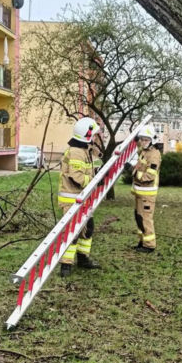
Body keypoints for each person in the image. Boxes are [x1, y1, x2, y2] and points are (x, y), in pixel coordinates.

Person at [58, 116, 102, 277]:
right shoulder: (76, 152)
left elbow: (87, 170)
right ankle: (66, 264)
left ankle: (83, 258)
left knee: (88, 229)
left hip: (83, 199)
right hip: (72, 199)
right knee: (72, 232)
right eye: (94, 134)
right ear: (87, 135)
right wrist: (95, 180)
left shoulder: (84, 150)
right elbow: (76, 177)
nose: (96, 137)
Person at [132, 125, 160, 252]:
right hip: (140, 192)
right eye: (141, 139)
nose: (143, 142)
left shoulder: (154, 155)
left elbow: (149, 176)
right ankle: (142, 241)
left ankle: (149, 245)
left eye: (146, 140)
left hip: (147, 194)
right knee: (139, 217)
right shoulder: (144, 151)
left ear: (152, 140)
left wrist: (134, 173)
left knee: (145, 218)